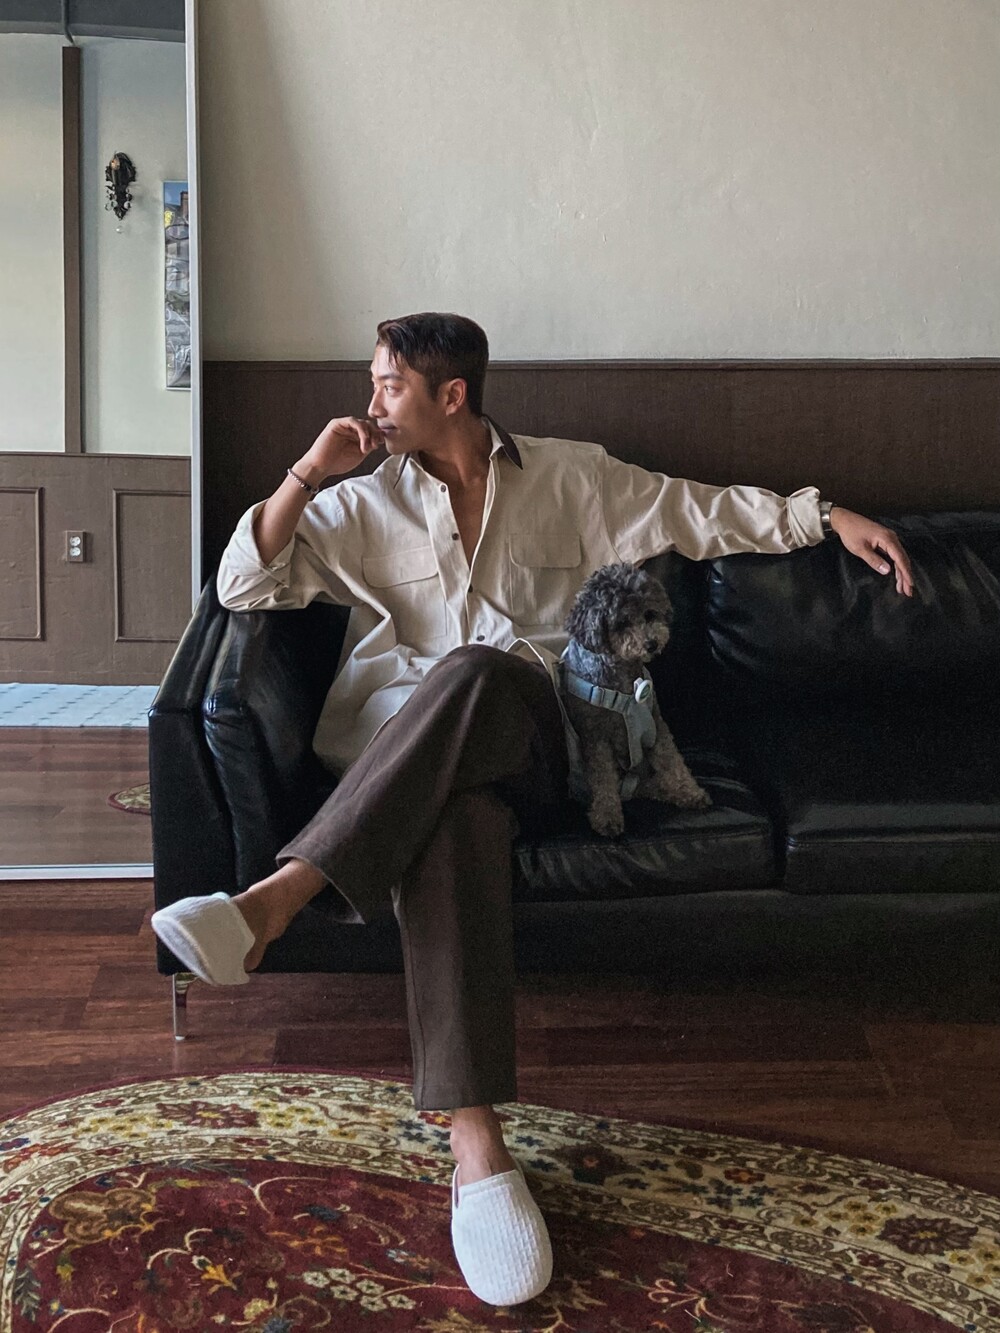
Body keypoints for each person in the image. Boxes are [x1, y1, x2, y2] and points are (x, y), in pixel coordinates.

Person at [152, 312, 914, 1307]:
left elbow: (696, 511)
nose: (371, 401)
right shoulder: (363, 499)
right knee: (452, 816)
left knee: (477, 667)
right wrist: (306, 472)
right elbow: (241, 586)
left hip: (537, 742)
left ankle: (278, 897)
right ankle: (478, 1147)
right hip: (416, 773)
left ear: (452, 394)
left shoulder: (571, 477)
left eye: (388, 384)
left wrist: (825, 515)